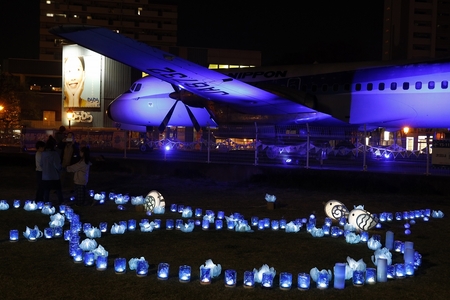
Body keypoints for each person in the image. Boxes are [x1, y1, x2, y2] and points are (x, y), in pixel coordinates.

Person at [40, 136, 64, 205]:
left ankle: (46, 204)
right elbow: (57, 165)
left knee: (47, 191)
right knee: (58, 189)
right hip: (54, 175)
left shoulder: (43, 154)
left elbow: (41, 164)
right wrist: (60, 169)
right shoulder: (54, 154)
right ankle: (61, 203)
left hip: (45, 176)